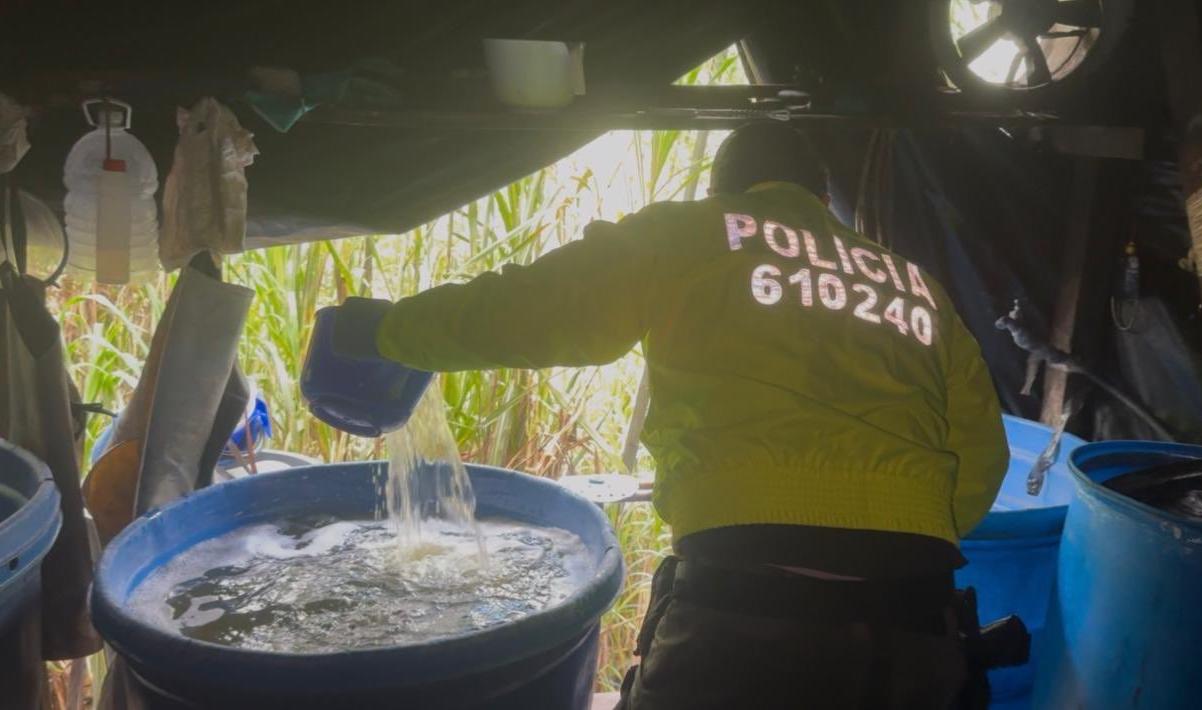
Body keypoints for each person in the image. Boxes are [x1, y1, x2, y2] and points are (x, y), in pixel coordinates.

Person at [328, 121, 1009, 708]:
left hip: (746, 600)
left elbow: (539, 308)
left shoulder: (693, 233)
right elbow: (981, 456)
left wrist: (391, 332)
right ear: (821, 196)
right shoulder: (911, 282)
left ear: (724, 190)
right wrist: (894, 530)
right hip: (915, 617)